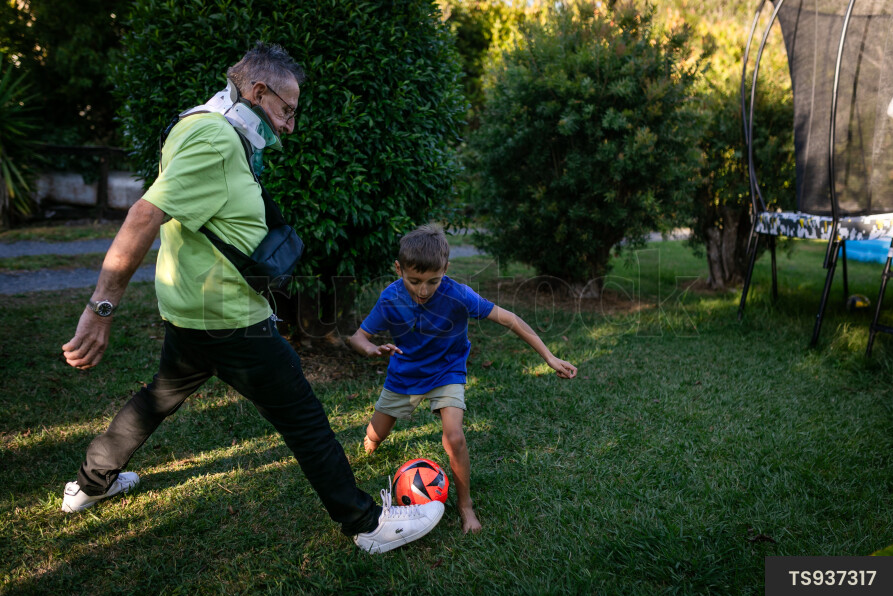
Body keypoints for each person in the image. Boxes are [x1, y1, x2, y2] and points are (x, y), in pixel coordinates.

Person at [59, 42, 443, 554]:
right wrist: (100, 310)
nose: (289, 125)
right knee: (304, 418)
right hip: (228, 318)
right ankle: (367, 525)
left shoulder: (204, 124)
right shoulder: (213, 137)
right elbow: (143, 216)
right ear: (258, 91)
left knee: (157, 399)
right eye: (287, 110)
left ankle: (87, 486)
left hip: (195, 311)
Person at [348, 224, 578, 533]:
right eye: (414, 281)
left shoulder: (458, 294)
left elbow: (508, 318)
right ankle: (371, 444)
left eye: (433, 281)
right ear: (398, 268)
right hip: (404, 374)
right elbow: (357, 337)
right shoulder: (390, 297)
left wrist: (549, 357)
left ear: (446, 270)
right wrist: (371, 348)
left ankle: (465, 506)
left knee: (454, 436)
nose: (424, 290)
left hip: (447, 372)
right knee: (375, 435)